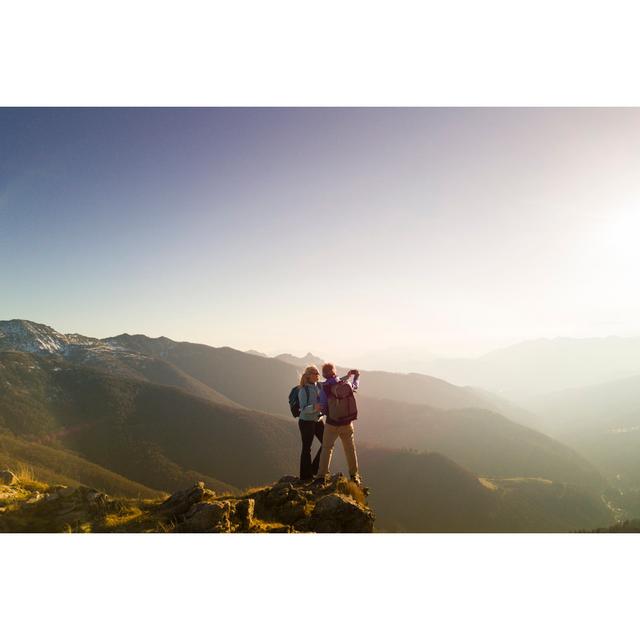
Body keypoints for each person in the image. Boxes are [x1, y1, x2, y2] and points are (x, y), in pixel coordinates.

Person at [315, 362, 362, 486]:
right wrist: (356, 377)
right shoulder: (345, 384)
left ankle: (321, 476)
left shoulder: (324, 388)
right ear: (334, 371)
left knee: (326, 449)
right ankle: (354, 475)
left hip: (332, 424)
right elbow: (355, 386)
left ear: (324, 375)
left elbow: (323, 407)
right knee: (350, 449)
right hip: (347, 423)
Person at [297, 365, 325, 482]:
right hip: (306, 422)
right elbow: (302, 408)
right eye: (315, 373)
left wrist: (348, 376)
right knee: (306, 448)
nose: (318, 375)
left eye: (318, 373)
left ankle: (314, 469)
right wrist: (315, 407)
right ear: (309, 376)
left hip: (318, 420)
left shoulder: (319, 385)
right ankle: (305, 476)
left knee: (327, 444)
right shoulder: (303, 390)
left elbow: (334, 382)